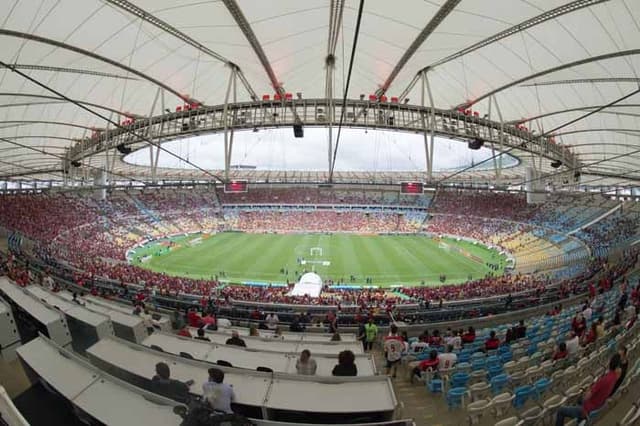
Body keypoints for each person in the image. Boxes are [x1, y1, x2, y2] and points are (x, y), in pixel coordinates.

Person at [555, 354, 621, 425]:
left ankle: (580, 416)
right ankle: (579, 419)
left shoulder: (603, 380)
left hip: (588, 408)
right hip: (599, 404)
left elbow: (587, 396)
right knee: (579, 399)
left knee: (560, 410)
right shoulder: (615, 377)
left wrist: (589, 389)